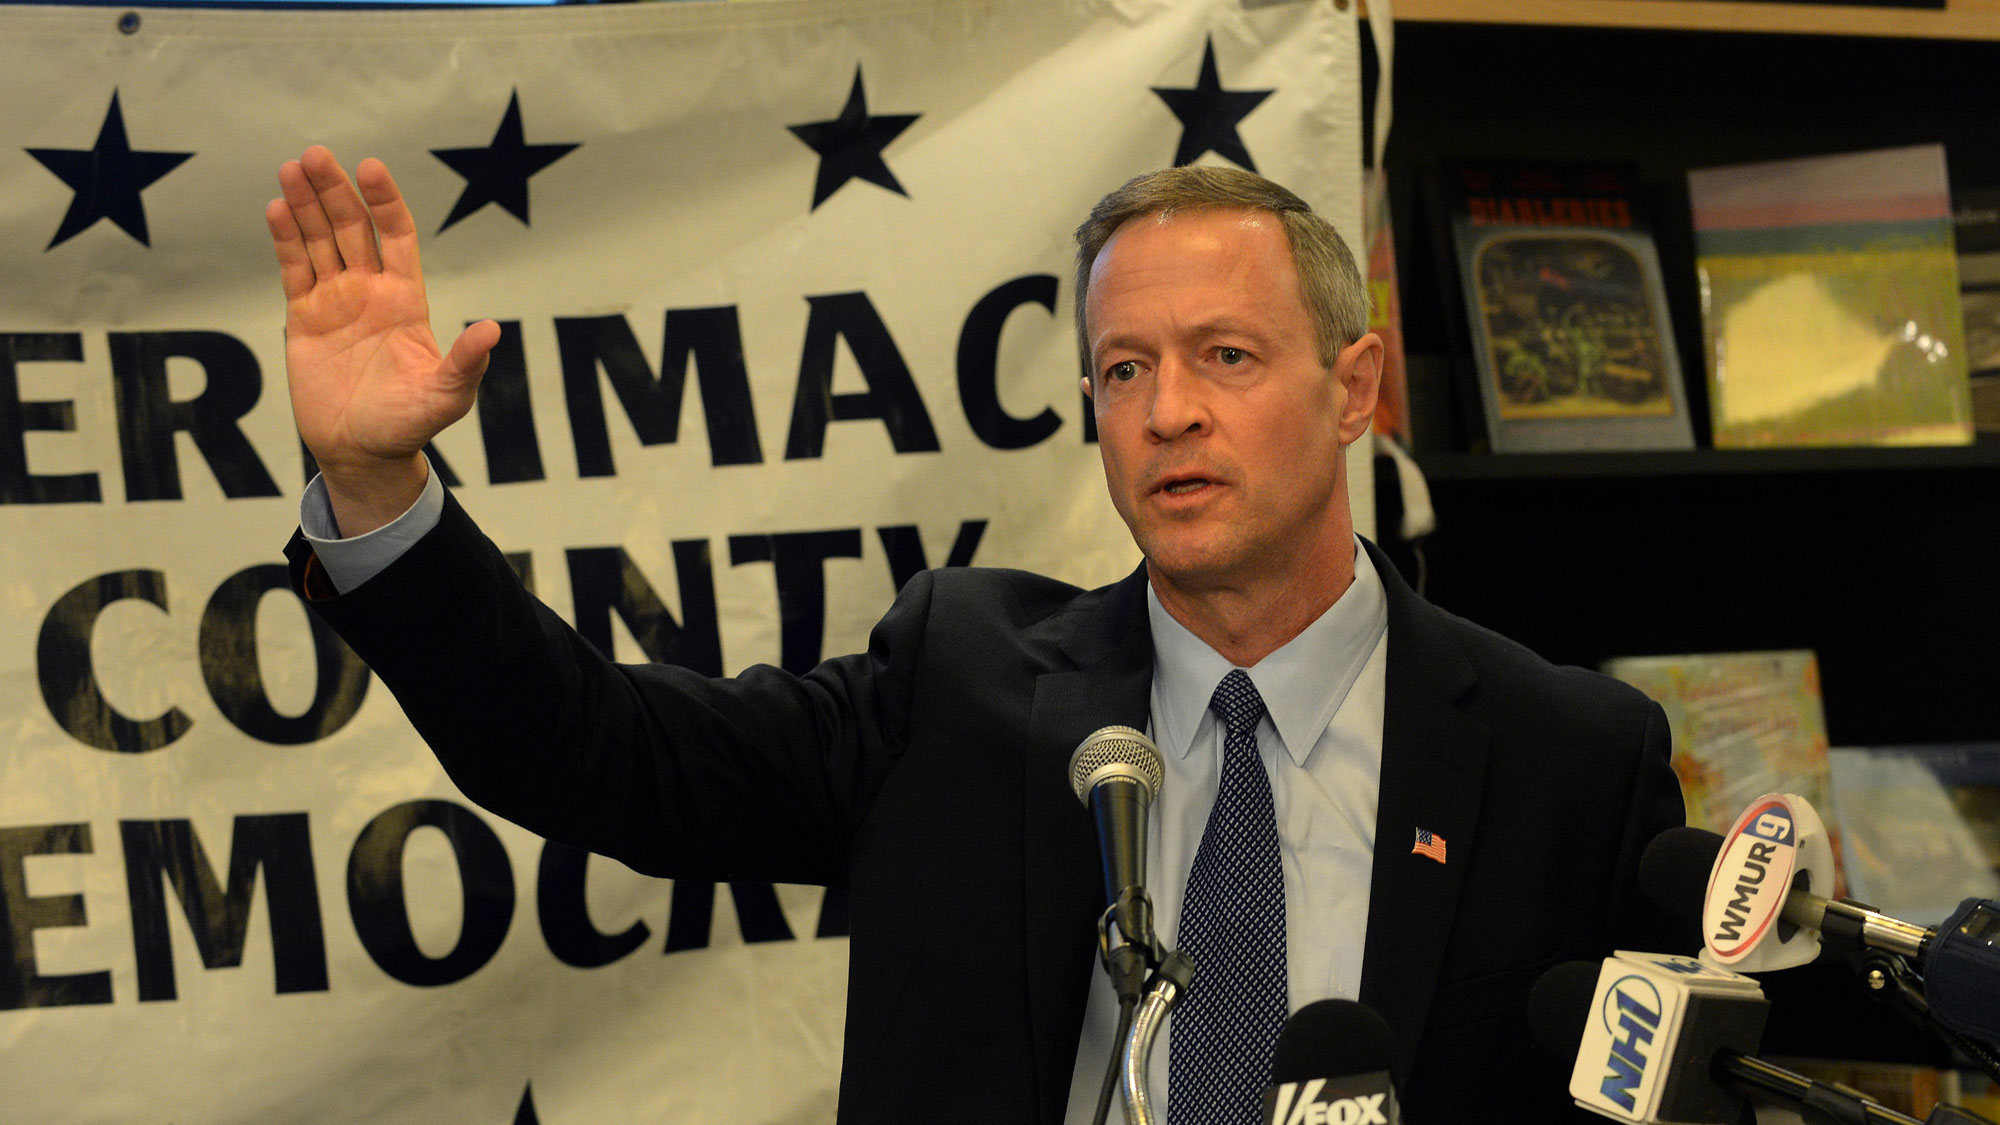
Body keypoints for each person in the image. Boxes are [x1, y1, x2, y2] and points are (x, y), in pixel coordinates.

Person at [268, 148, 1683, 1123]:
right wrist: (383, 491)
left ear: (1355, 382)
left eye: (1226, 356)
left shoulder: (1572, 759)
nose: (1167, 412)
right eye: (1125, 368)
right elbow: (599, 753)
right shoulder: (961, 684)